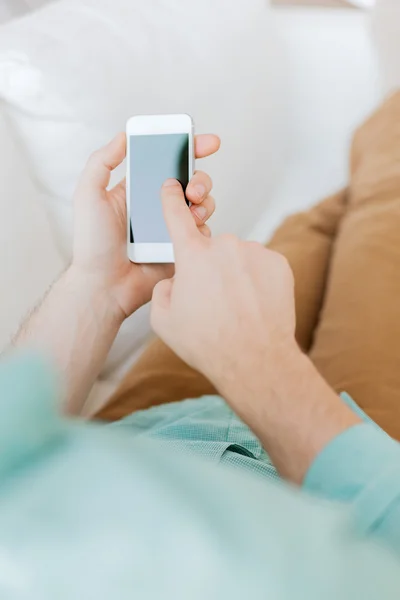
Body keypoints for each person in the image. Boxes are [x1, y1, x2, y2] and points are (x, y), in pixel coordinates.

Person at [4, 94, 400, 598]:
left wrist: (98, 286)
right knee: (388, 190)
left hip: (141, 431)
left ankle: (346, 199)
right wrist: (260, 365)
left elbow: (10, 446)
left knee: (303, 231)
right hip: (355, 470)